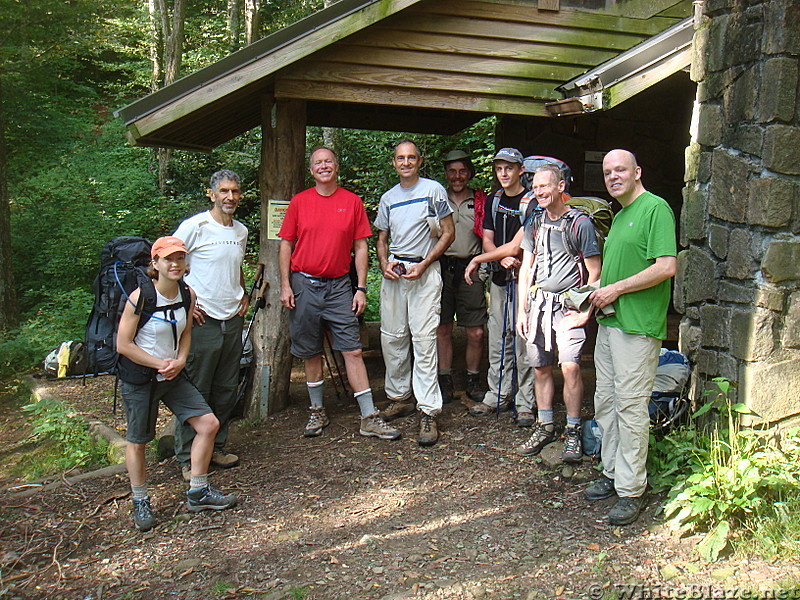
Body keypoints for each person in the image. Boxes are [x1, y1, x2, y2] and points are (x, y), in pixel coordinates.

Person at [279, 146, 400, 441]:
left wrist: (360, 288)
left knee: (353, 349)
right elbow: (286, 244)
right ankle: (317, 410)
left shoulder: (351, 201)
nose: (324, 166)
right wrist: (285, 285)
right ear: (311, 169)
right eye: (318, 163)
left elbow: (361, 247)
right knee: (310, 350)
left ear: (336, 166)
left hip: (339, 286)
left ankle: (369, 416)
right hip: (304, 283)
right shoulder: (299, 202)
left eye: (328, 162)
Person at [117, 236, 237, 532]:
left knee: (208, 424)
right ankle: (140, 500)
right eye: (168, 259)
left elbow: (185, 334)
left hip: (173, 374)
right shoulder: (140, 297)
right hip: (141, 377)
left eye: (180, 258)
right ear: (154, 264)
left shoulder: (186, 293)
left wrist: (181, 360)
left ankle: (198, 491)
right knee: (138, 440)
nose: (175, 264)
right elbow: (123, 344)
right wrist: (160, 364)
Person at [585, 149, 677, 526]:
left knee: (630, 406)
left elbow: (666, 266)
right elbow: (613, 274)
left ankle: (631, 490)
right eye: (608, 172)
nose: (613, 176)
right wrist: (592, 292)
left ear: (637, 172)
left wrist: (616, 289)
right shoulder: (620, 215)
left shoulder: (656, 209)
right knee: (605, 400)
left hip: (637, 327)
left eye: (620, 169)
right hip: (610, 324)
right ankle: (612, 472)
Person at [515, 165, 601, 461]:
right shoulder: (534, 223)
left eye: (544, 186)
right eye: (535, 187)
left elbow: (595, 272)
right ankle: (545, 424)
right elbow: (526, 268)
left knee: (571, 367)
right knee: (540, 368)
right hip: (538, 305)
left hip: (568, 308)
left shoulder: (580, 224)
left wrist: (584, 313)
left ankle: (574, 430)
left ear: (561, 186)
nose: (539, 192)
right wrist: (521, 311)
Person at [375, 140, 455, 446]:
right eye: (400, 158)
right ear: (394, 162)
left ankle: (428, 410)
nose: (405, 162)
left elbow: (448, 232)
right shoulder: (388, 198)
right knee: (392, 336)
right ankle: (399, 397)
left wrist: (424, 263)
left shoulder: (433, 190)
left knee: (423, 339)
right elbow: (382, 237)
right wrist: (383, 263)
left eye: (411, 158)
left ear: (419, 161)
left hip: (424, 272)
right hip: (395, 273)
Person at [173, 170, 249, 481]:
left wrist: (243, 294)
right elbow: (167, 262)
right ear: (211, 194)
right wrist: (185, 304)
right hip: (202, 320)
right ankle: (186, 456)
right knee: (196, 387)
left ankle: (216, 445)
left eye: (234, 191)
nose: (230, 197)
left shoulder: (241, 230)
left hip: (232, 318)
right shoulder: (195, 227)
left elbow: (235, 265)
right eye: (224, 191)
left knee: (226, 387)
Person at [467, 148, 535, 426]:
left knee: (523, 342)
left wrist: (498, 256)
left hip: (523, 282)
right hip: (499, 280)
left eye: (509, 168)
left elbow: (518, 244)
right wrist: (500, 256)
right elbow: (487, 239)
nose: (504, 174)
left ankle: (526, 402)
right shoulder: (494, 201)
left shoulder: (531, 202)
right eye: (499, 169)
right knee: (498, 340)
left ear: (521, 170)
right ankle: (497, 394)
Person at [436, 150, 488, 404]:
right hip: (441, 268)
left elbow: (488, 235)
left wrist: (485, 269)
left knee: (476, 331)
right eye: (452, 171)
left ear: (469, 173)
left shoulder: (480, 201)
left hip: (472, 268)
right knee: (442, 327)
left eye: (462, 171)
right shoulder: (436, 198)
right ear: (446, 173)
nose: (457, 177)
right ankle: (444, 382)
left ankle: (473, 380)